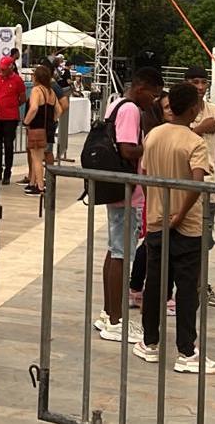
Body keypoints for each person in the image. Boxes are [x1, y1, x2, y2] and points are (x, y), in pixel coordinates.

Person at [129, 81, 215, 374]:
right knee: (186, 289)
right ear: (194, 109)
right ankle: (186, 350)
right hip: (189, 224)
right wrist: (181, 213)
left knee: (156, 284)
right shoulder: (194, 142)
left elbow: (144, 170)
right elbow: (197, 180)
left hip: (157, 220)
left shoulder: (155, 134)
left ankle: (150, 343)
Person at [92, 67, 164, 345]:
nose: (153, 101)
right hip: (128, 192)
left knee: (115, 252)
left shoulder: (115, 104)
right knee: (122, 255)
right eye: (153, 95)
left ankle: (109, 312)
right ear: (142, 86)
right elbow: (127, 149)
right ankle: (116, 320)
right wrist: (150, 145)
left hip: (117, 190)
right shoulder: (131, 109)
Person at [184, 67, 215, 308]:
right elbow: (173, 136)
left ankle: (201, 284)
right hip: (181, 182)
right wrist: (199, 129)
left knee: (205, 237)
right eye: (195, 82)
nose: (200, 87)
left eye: (203, 82)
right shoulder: (178, 110)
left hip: (208, 182)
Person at [22, 64, 58, 196]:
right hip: (48, 128)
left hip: (37, 128)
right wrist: (52, 120)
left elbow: (34, 108)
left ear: (36, 77)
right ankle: (32, 183)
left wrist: (26, 121)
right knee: (38, 155)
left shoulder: (36, 90)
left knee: (36, 158)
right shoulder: (51, 92)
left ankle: (40, 186)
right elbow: (58, 110)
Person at [0, 57, 26, 183]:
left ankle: (7, 172)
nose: (1, 71)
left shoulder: (17, 80)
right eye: (0, 68)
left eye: (4, 69)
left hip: (10, 117)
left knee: (8, 145)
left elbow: (22, 98)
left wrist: (13, 105)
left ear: (10, 67)